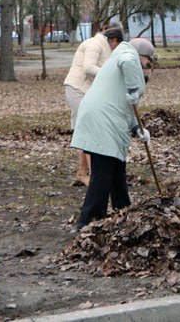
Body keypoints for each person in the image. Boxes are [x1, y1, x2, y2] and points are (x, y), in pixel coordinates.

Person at [70, 37, 156, 230]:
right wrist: (135, 87)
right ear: (141, 55)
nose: (147, 65)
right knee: (102, 173)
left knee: (117, 169)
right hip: (103, 119)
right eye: (148, 61)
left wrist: (138, 130)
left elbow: (128, 107)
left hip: (105, 117)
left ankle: (123, 210)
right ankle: (89, 221)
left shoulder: (123, 68)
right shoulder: (128, 55)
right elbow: (128, 61)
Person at [64, 24, 124, 186]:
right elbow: (89, 68)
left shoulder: (101, 46)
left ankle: (83, 173)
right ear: (112, 39)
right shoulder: (94, 44)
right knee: (90, 132)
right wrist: (111, 75)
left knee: (84, 131)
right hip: (78, 89)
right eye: (117, 43)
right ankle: (96, 175)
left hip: (85, 91)